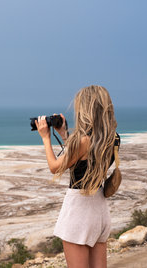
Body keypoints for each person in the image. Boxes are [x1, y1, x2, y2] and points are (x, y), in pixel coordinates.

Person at [35, 85, 119, 268]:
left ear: (86, 110)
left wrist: (46, 138)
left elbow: (54, 167)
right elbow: (84, 159)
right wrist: (65, 136)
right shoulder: (113, 139)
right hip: (99, 210)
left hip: (79, 211)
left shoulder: (81, 141)